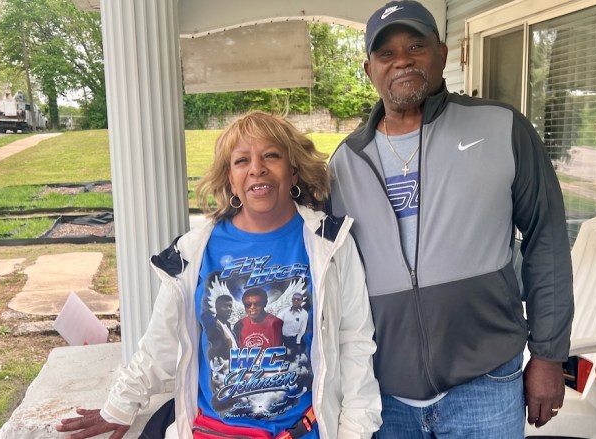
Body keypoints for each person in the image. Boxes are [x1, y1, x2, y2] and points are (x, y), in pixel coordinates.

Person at [327, 1, 574, 438]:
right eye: (386, 53)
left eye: (415, 46)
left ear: (441, 54)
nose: (401, 59)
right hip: (384, 393)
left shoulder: (502, 128)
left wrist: (549, 355)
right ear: (370, 70)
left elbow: (547, 240)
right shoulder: (344, 163)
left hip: (486, 382)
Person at [57, 111, 382, 439]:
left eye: (271, 155)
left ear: (293, 170)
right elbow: (160, 342)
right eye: (242, 160)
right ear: (230, 178)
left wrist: (354, 432)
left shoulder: (331, 245)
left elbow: (354, 342)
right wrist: (120, 405)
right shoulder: (194, 251)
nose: (257, 168)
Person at [201, 293, 237, 361]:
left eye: (230, 306)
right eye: (225, 306)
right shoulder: (213, 326)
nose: (229, 309)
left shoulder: (228, 326)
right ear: (217, 307)